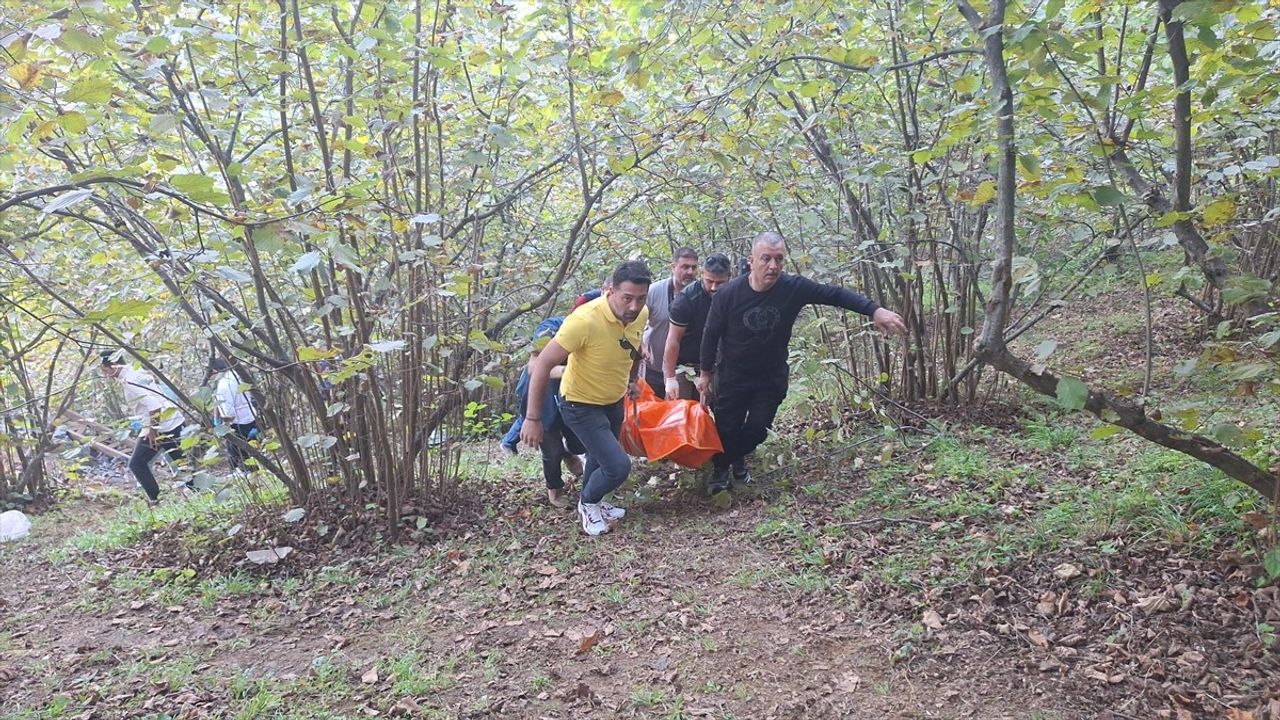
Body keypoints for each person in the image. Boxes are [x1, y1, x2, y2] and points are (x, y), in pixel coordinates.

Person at [698, 232, 907, 494]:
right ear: (751, 261)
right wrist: (705, 373)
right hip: (732, 375)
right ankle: (722, 470)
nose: (773, 266)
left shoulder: (793, 287)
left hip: (769, 376)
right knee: (727, 426)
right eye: (766, 259)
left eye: (779, 259)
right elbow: (710, 334)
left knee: (757, 430)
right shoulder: (728, 294)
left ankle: (728, 458)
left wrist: (874, 310)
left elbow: (834, 295)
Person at [521, 260, 651, 536]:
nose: (634, 306)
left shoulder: (640, 314)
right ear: (611, 292)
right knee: (617, 466)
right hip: (580, 403)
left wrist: (632, 380)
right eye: (627, 298)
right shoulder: (583, 320)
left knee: (597, 457)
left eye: (640, 299)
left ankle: (596, 501)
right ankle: (588, 503)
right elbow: (542, 364)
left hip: (613, 399)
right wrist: (533, 418)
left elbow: (633, 346)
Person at [100, 349, 188, 504]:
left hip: (161, 425)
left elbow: (154, 406)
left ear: (113, 365)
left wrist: (153, 431)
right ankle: (199, 491)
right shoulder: (135, 369)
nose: (105, 375)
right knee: (180, 462)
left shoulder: (129, 381)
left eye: (105, 370)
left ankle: (155, 498)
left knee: (137, 464)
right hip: (173, 420)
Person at [662, 252, 732, 401]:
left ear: (729, 277)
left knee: (708, 414)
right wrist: (670, 378)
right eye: (709, 281)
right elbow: (673, 340)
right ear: (702, 274)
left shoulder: (734, 296)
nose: (714, 287)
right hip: (683, 365)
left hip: (715, 366)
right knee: (680, 413)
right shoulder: (686, 301)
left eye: (720, 283)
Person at [643, 248, 699, 398]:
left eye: (694, 267)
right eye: (685, 267)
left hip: (685, 371)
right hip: (654, 368)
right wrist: (640, 345)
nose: (690, 272)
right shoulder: (654, 292)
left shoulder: (701, 294)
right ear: (673, 267)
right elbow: (634, 322)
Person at [210, 357, 258, 473]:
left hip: (236, 421)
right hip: (250, 416)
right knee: (252, 448)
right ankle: (254, 471)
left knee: (239, 451)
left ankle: (245, 473)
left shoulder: (223, 384)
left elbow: (228, 411)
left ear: (215, 371)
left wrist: (221, 424)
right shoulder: (238, 375)